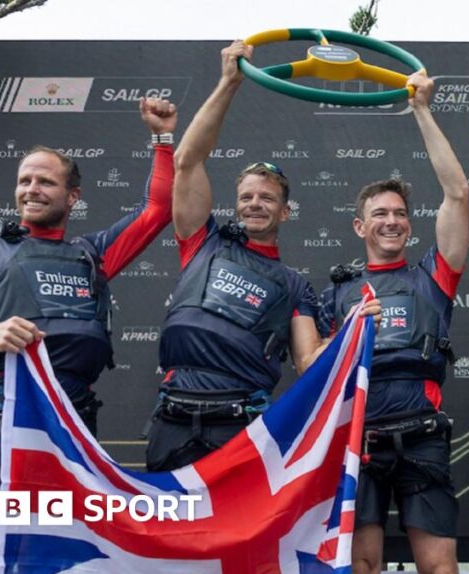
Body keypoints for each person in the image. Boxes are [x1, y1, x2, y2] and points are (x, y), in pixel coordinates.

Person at [0, 98, 177, 574]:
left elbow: (158, 209)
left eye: (45, 181)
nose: (32, 189)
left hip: (69, 431)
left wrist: (163, 139)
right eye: (24, 180)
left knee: (53, 557)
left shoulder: (92, 255)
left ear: (73, 196)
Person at [144, 40, 347, 472]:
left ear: (286, 211)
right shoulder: (204, 240)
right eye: (247, 196)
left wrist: (351, 333)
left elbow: (310, 361)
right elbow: (187, 160)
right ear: (235, 203)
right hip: (173, 418)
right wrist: (229, 82)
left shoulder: (294, 285)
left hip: (241, 427)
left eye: (267, 198)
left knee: (236, 541)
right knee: (167, 536)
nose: (255, 203)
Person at [318, 72, 469, 574]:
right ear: (361, 226)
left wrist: (422, 110)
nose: (391, 221)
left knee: (439, 567)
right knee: (362, 565)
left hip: (423, 439)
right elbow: (309, 367)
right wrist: (347, 333)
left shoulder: (434, 275)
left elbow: (458, 194)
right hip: (359, 443)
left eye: (400, 213)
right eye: (379, 213)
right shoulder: (338, 292)